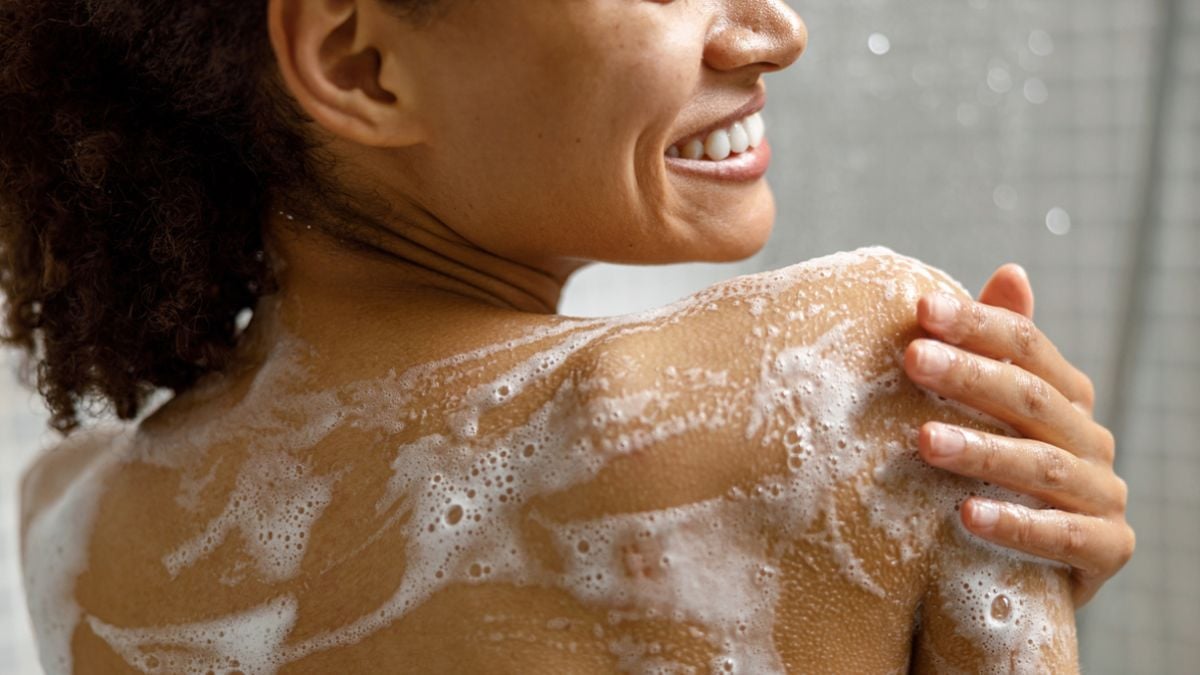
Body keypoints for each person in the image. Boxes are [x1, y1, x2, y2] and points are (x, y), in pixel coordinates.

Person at [2, 0, 1134, 672]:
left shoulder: (77, 527)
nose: (773, 31)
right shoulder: (841, 375)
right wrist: (979, 570)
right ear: (362, 63)